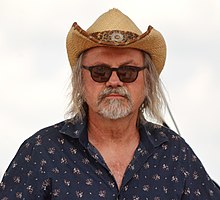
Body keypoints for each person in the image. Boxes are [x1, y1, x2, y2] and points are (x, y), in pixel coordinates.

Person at [0, 8, 219, 200]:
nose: (114, 81)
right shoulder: (42, 151)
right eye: (100, 72)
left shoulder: (174, 154)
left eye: (128, 72)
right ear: (80, 81)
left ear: (148, 81)